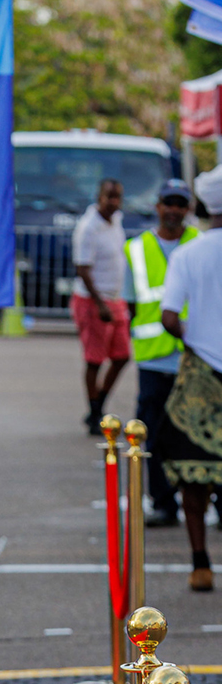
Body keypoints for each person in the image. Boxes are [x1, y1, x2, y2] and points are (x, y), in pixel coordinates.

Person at [159, 165, 222, 592]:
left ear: (200, 206)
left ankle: (200, 563)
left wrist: (193, 337)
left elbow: (167, 316)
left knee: (191, 471)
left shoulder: (188, 253)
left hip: (201, 368)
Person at [124, 180, 199, 527]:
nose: (173, 210)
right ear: (157, 206)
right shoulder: (136, 249)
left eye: (179, 204)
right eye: (168, 203)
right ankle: (164, 502)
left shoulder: (201, 244)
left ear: (189, 208)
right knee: (151, 434)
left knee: (199, 435)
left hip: (194, 357)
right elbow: (131, 304)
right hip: (154, 359)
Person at [71, 179, 131, 434]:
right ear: (99, 197)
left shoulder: (115, 222)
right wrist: (99, 303)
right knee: (95, 360)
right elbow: (83, 269)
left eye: (118, 197)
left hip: (115, 298)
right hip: (93, 300)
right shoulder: (88, 228)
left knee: (121, 356)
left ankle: (99, 404)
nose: (114, 202)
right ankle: (95, 411)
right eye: (109, 197)